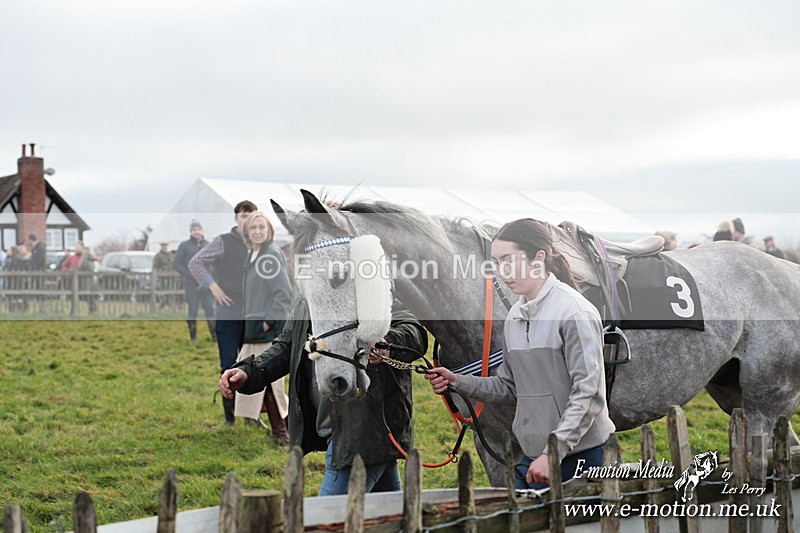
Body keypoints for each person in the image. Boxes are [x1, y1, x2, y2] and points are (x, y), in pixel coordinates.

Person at [425, 218, 615, 490]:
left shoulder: (574, 312)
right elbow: (509, 386)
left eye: (509, 260)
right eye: (496, 262)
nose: (502, 271)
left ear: (539, 258)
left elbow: (589, 394)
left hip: (581, 457)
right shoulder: (514, 317)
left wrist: (553, 452)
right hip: (535, 458)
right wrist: (458, 381)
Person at [219, 295, 427, 495]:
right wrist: (249, 372)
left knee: (328, 514)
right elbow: (288, 345)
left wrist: (387, 344)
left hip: (365, 430)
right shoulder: (308, 292)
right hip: (338, 429)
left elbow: (413, 330)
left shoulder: (370, 284)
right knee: (388, 511)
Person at [190, 201, 257, 425]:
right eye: (243, 216)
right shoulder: (223, 241)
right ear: (236, 218)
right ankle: (230, 418)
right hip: (228, 311)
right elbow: (196, 263)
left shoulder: (260, 242)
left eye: (251, 215)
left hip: (253, 313)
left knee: (253, 365)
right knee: (228, 365)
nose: (247, 220)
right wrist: (213, 287)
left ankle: (251, 416)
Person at [234, 211, 293, 439]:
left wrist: (269, 321)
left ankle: (281, 432)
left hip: (266, 328)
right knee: (262, 376)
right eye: (253, 227)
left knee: (267, 377)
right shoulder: (254, 254)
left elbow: (283, 293)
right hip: (253, 326)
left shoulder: (270, 254)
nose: (257, 231)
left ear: (269, 231)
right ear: (247, 231)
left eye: (262, 227)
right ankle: (284, 429)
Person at [173, 221, 216, 342]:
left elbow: (215, 263)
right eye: (194, 230)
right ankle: (193, 338)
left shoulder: (208, 245)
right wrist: (188, 274)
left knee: (210, 309)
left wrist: (212, 276)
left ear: (202, 231)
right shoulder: (184, 246)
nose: (196, 232)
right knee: (193, 309)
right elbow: (176, 264)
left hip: (206, 283)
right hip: (191, 284)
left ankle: (214, 336)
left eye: (198, 229)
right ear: (191, 232)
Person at [152, 241, 174, 309]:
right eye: (163, 246)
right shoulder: (158, 256)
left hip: (172, 276)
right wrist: (159, 272)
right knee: (163, 291)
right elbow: (155, 266)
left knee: (171, 290)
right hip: (163, 277)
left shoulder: (171, 255)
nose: (164, 247)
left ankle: (170, 304)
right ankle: (163, 304)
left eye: (166, 245)